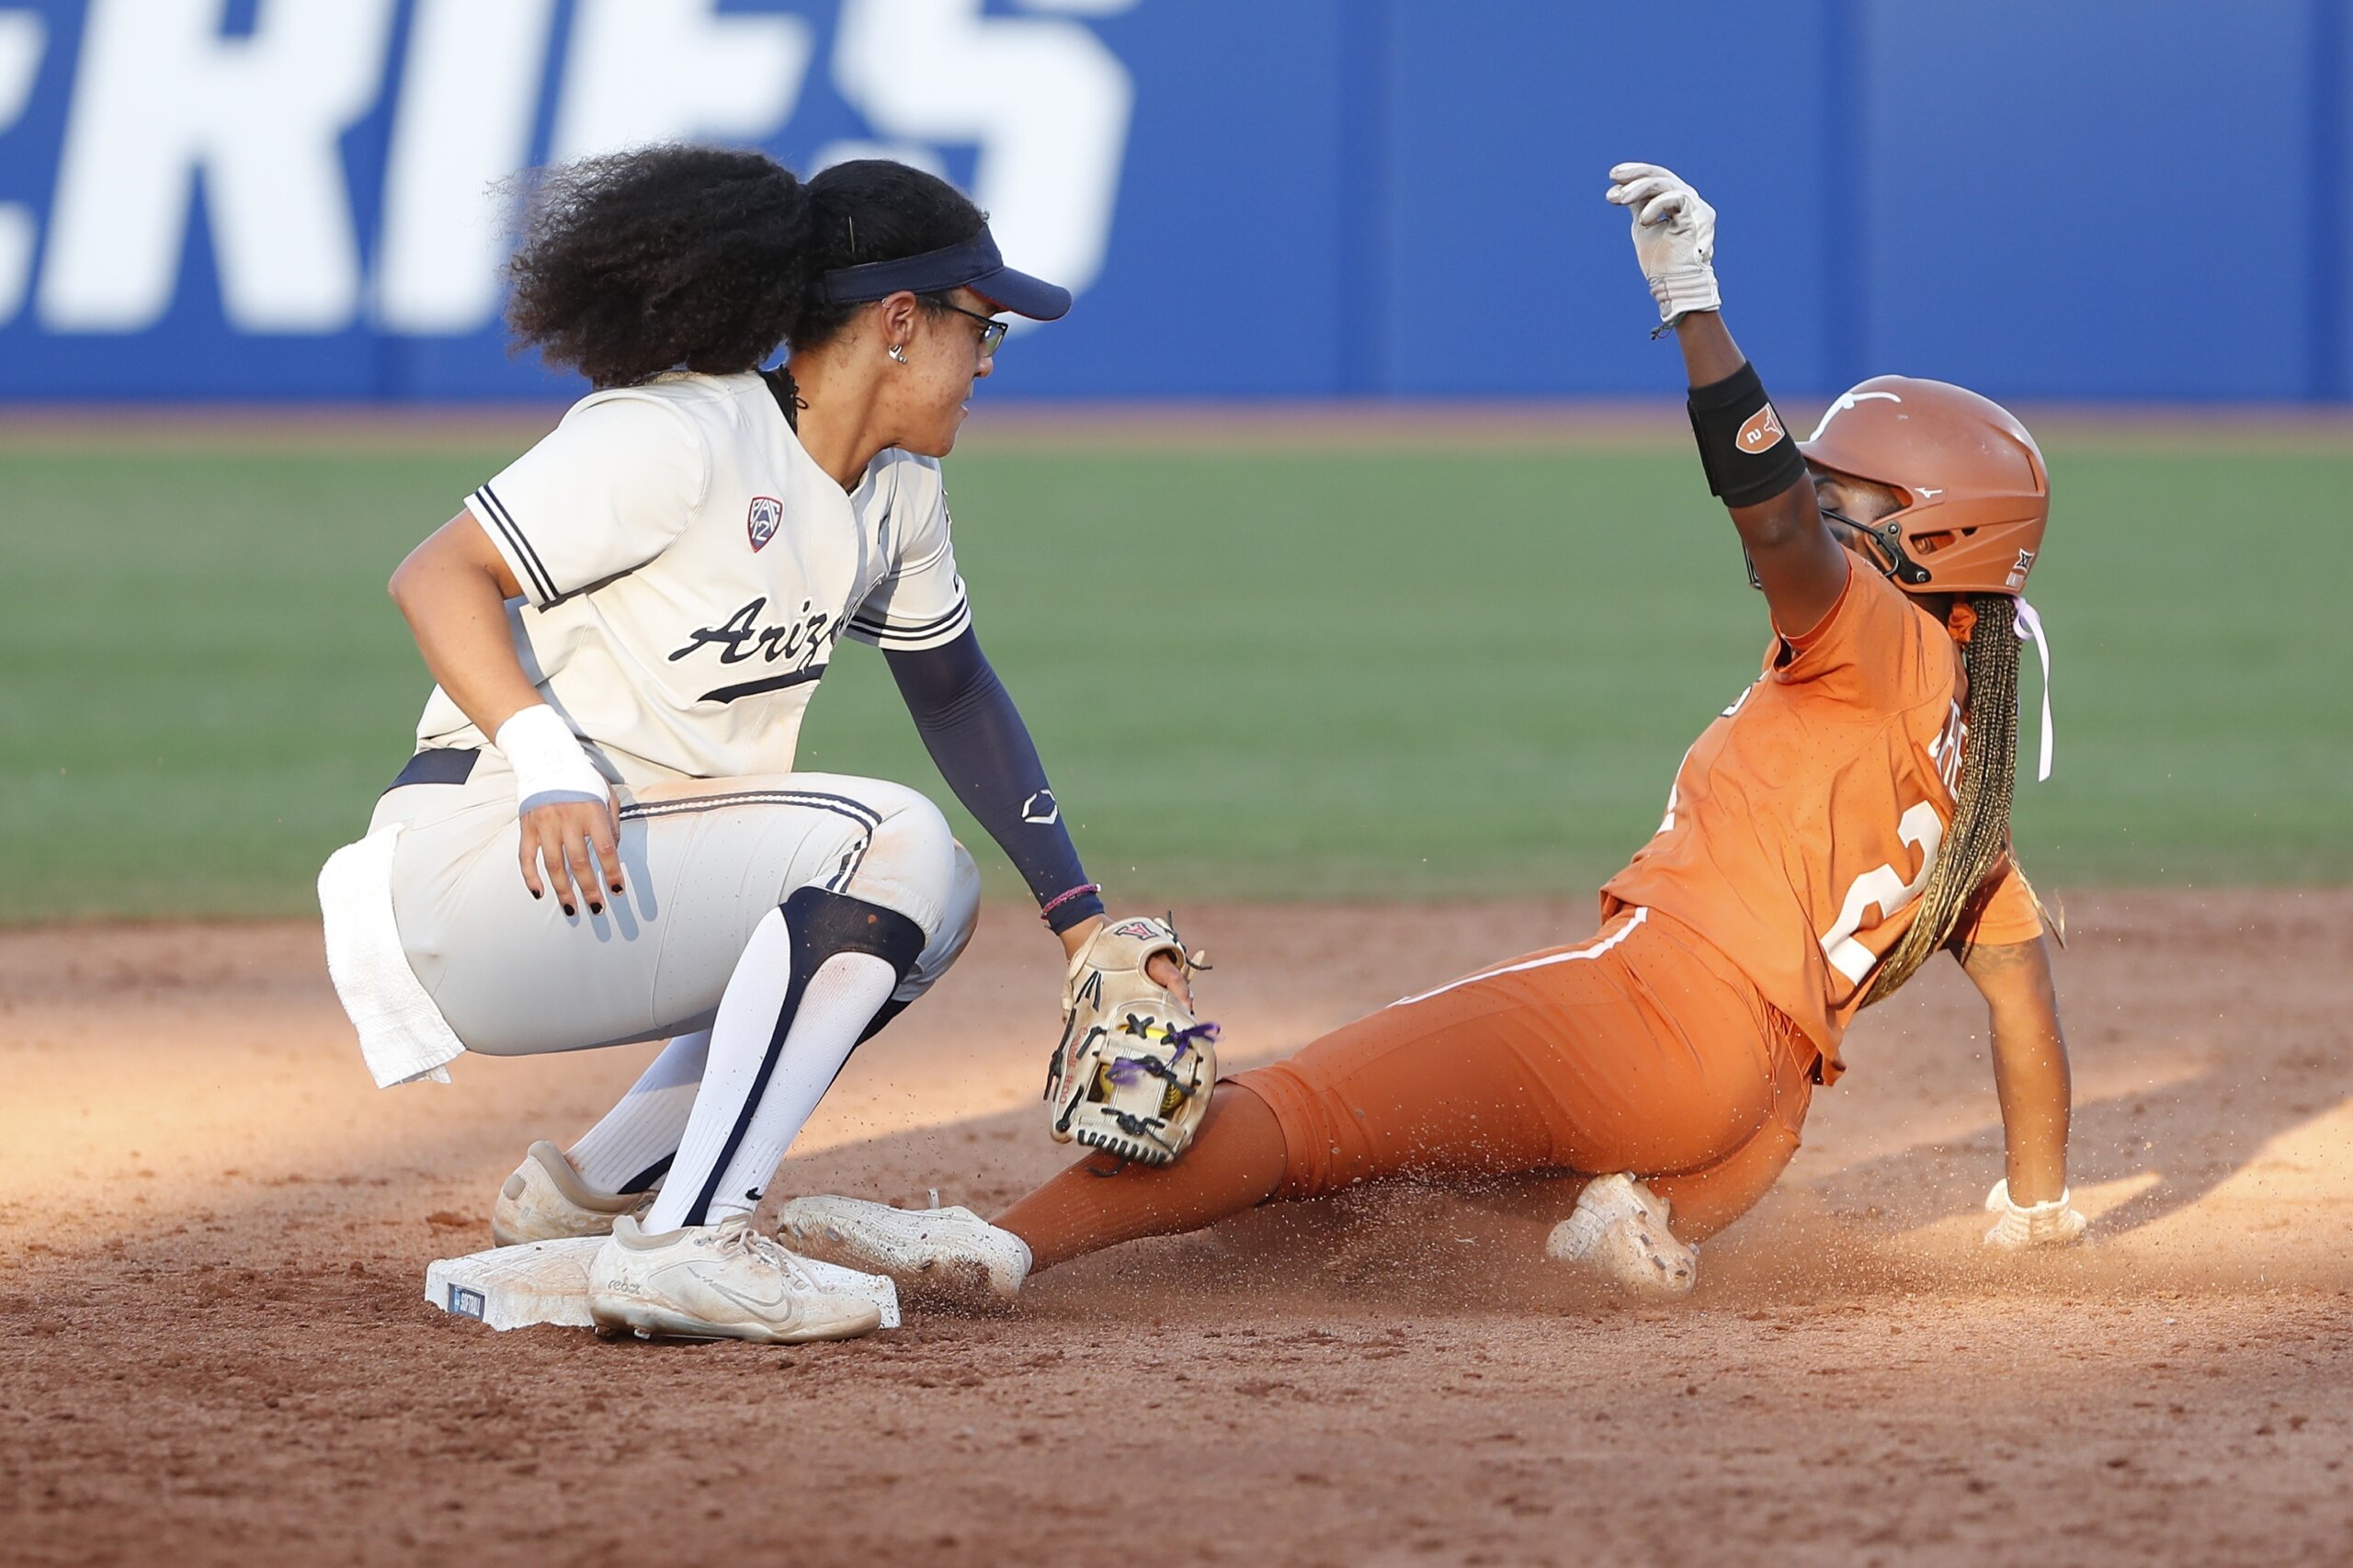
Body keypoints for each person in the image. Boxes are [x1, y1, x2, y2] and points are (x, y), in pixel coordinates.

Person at [776, 162, 2086, 1306]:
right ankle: (1629, 1226)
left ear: (1939, 539)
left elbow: (1772, 523)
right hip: (1749, 1130)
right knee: (1378, 1202)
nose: (1813, 495)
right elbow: (2023, 1003)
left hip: (1648, 1020)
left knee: (1299, 1110)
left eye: (1849, 490)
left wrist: (1694, 310)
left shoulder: (1872, 639)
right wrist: (2036, 1207)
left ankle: (994, 1247)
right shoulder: (1970, 779)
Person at [317, 147, 1179, 1344]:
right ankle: (692, 1240)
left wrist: (1084, 924)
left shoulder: (896, 493)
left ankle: (593, 1191)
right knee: (892, 843)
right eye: (977, 326)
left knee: (930, 898)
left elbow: (955, 690)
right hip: (482, 870)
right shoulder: (682, 435)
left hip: (618, 889)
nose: (988, 360)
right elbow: (438, 575)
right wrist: (549, 761)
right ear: (895, 322)